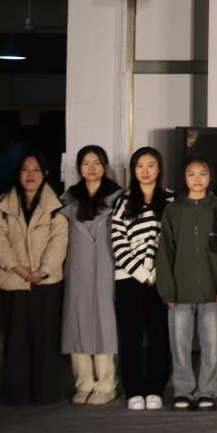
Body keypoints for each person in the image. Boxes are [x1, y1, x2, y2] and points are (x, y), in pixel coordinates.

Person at [0, 153, 68, 405]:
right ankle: (16, 393)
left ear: (45, 174)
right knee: (16, 338)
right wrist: (18, 268)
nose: (31, 175)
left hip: (46, 282)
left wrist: (42, 271)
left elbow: (59, 243)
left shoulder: (57, 207)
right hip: (14, 280)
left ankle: (46, 393)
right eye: (25, 169)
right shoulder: (1, 206)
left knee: (46, 338)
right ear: (18, 173)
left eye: (36, 170)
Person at [154, 155, 217, 411]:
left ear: (210, 177)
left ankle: (207, 391)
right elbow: (165, 251)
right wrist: (167, 289)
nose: (197, 179)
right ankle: (183, 391)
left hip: (211, 289)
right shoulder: (173, 210)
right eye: (191, 174)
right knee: (180, 344)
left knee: (211, 345)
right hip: (180, 290)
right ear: (184, 177)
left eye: (202, 173)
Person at [110, 147, 174, 411]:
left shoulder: (171, 200)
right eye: (140, 166)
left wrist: (156, 272)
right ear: (133, 170)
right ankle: (134, 389)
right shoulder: (123, 201)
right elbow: (117, 240)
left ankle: (156, 389)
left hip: (161, 279)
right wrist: (141, 272)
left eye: (151, 165)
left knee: (160, 335)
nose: (145, 171)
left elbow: (172, 240)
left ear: (159, 169)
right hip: (129, 278)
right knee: (131, 336)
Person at [60, 145, 123, 405]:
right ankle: (84, 382)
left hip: (106, 266)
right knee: (77, 322)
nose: (91, 168)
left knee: (104, 323)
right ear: (79, 168)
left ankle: (107, 383)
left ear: (105, 165)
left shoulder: (117, 198)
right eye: (85, 163)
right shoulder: (68, 199)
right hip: (77, 269)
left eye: (96, 162)